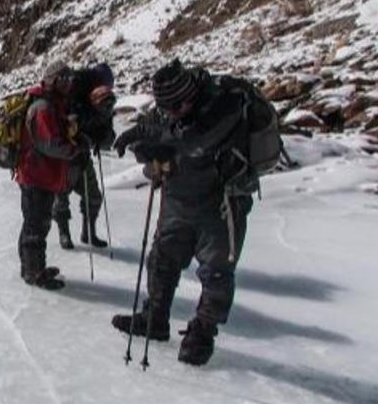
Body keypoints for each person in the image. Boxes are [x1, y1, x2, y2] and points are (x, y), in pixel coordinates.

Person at [110, 59, 256, 366]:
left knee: (216, 271)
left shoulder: (223, 104)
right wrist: (142, 142)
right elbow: (153, 131)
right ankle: (155, 318)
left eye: (177, 106)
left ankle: (202, 334)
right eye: (167, 107)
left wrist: (154, 142)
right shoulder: (167, 107)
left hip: (221, 201)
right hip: (178, 196)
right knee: (161, 259)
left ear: (191, 93)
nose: (171, 112)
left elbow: (196, 141)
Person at [16, 60, 80, 290]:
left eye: (70, 79)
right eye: (63, 79)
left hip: (40, 174)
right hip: (36, 176)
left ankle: (30, 267)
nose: (68, 84)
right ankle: (34, 272)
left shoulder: (52, 104)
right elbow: (49, 144)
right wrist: (74, 150)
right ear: (52, 80)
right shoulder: (42, 107)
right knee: (37, 225)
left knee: (34, 223)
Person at [54, 63, 116, 250]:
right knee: (61, 198)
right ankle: (64, 234)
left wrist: (101, 132)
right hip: (63, 156)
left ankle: (88, 233)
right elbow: (70, 124)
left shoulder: (102, 103)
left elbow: (107, 137)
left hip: (82, 156)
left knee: (94, 196)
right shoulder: (74, 97)